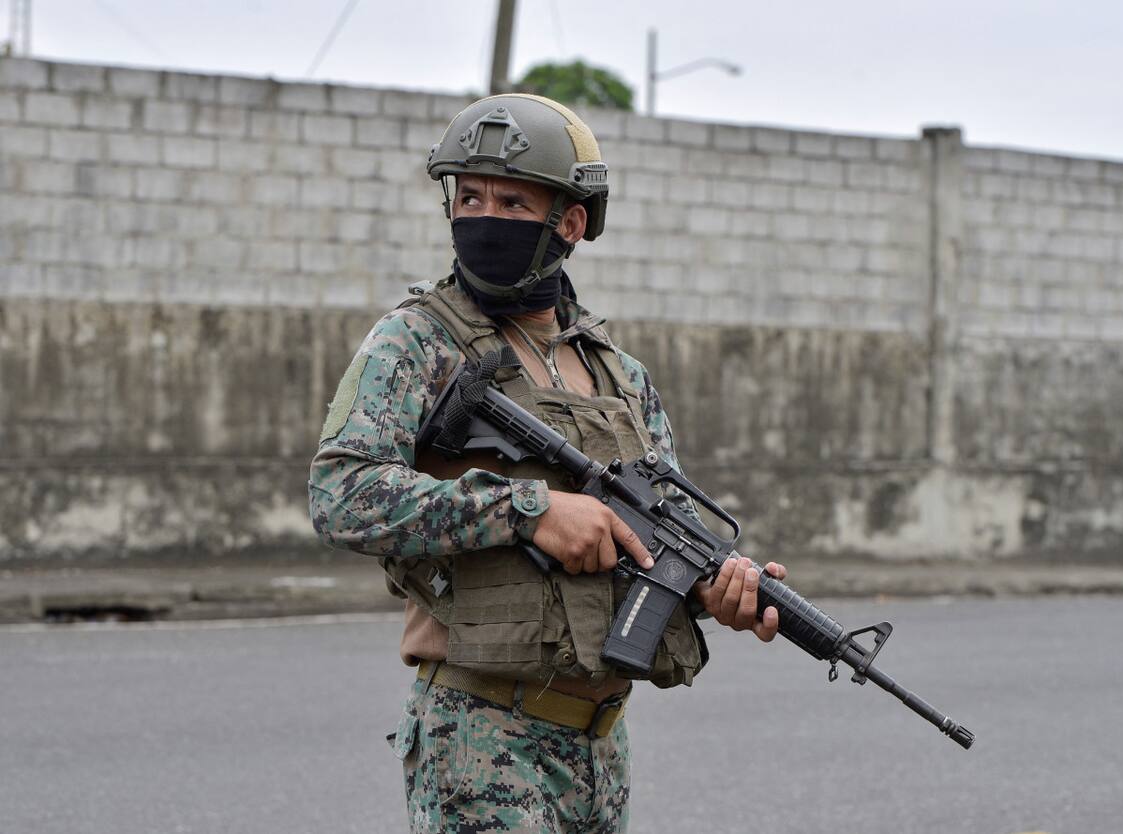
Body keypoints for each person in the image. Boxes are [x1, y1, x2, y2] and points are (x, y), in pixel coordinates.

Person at [309, 93, 788, 833]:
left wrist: (718, 590)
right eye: (469, 195)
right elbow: (341, 492)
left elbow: (659, 541)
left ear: (569, 222)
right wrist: (527, 511)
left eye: (511, 200)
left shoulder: (617, 372)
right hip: (481, 737)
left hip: (600, 748)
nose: (483, 216)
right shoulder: (414, 342)